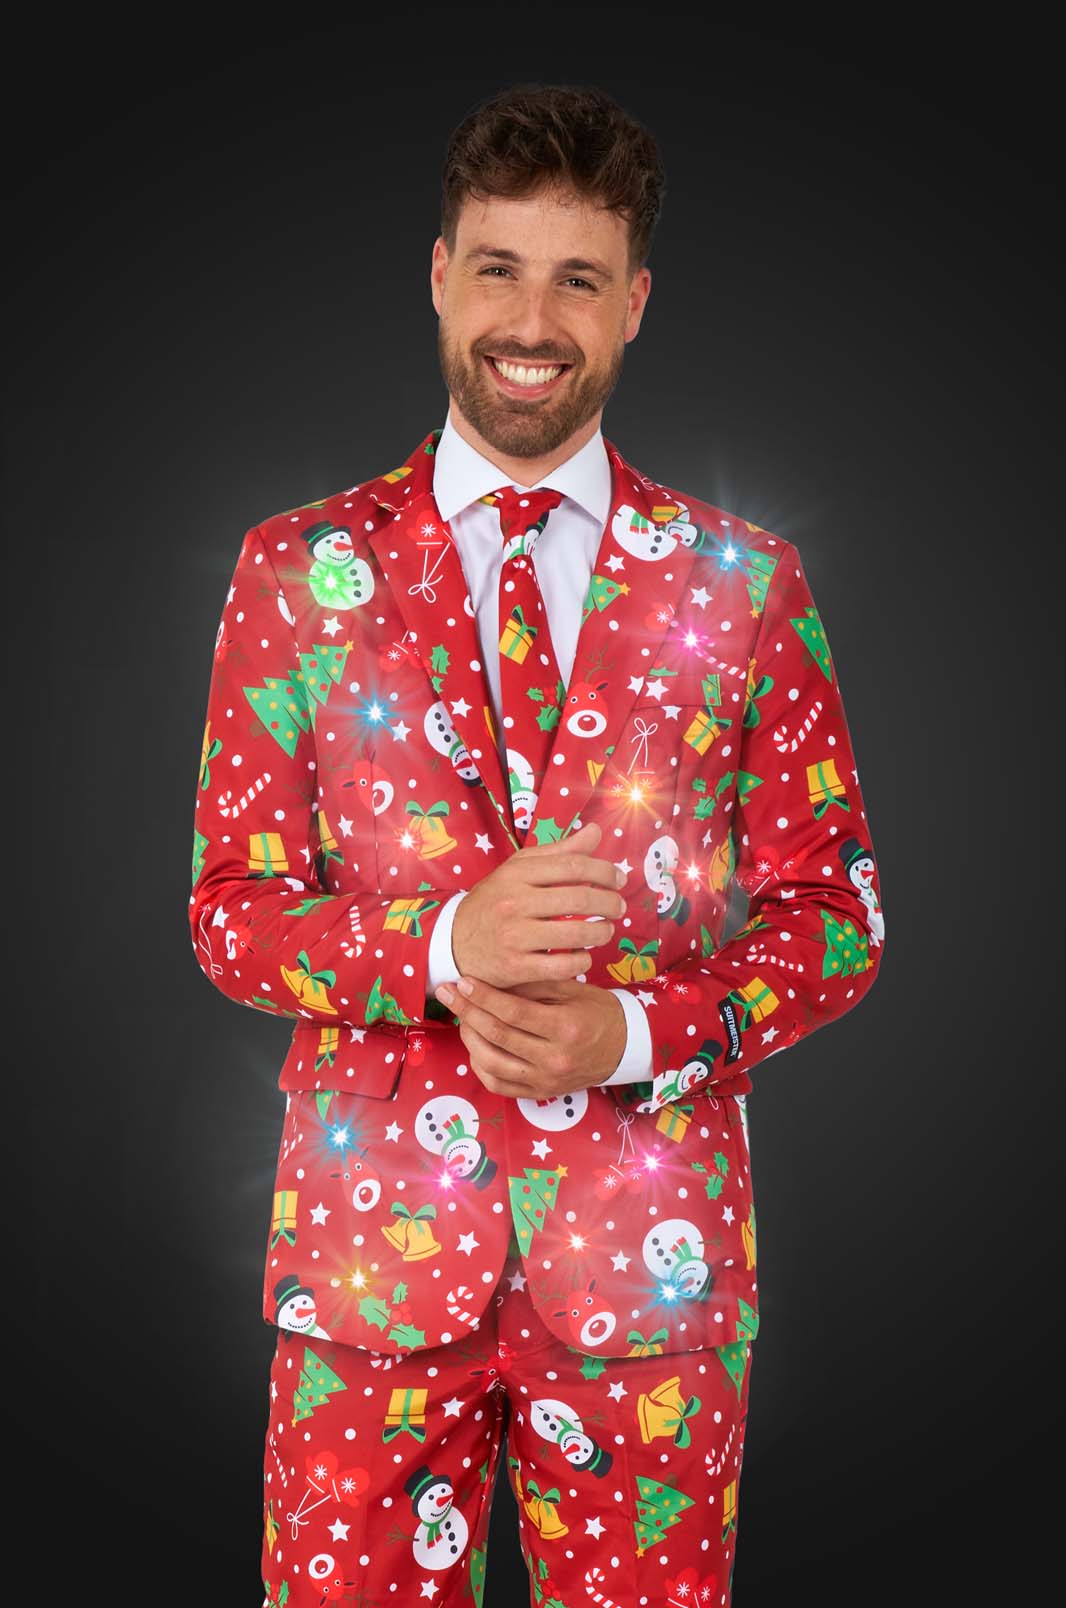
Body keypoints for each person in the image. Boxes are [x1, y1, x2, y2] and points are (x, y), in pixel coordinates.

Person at [188, 81, 885, 1608]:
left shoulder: (745, 584)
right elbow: (230, 912)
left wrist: (628, 1032)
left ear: (634, 305)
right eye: (499, 268)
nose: (532, 319)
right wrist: (447, 945)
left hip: (654, 1284)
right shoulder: (297, 572)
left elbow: (836, 918)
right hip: (371, 1285)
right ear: (440, 276)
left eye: (579, 279)